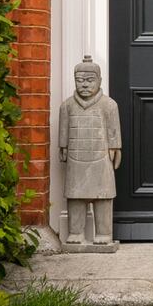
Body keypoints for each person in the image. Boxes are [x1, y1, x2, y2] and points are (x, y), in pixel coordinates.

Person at [58, 56, 122, 247]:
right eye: (80, 80)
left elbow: (113, 129)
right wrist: (63, 146)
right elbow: (64, 128)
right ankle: (75, 232)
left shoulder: (109, 104)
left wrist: (115, 147)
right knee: (75, 196)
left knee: (103, 196)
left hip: (101, 157)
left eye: (89, 80)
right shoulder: (67, 105)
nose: (84, 85)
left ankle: (103, 233)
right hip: (75, 157)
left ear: (99, 81)